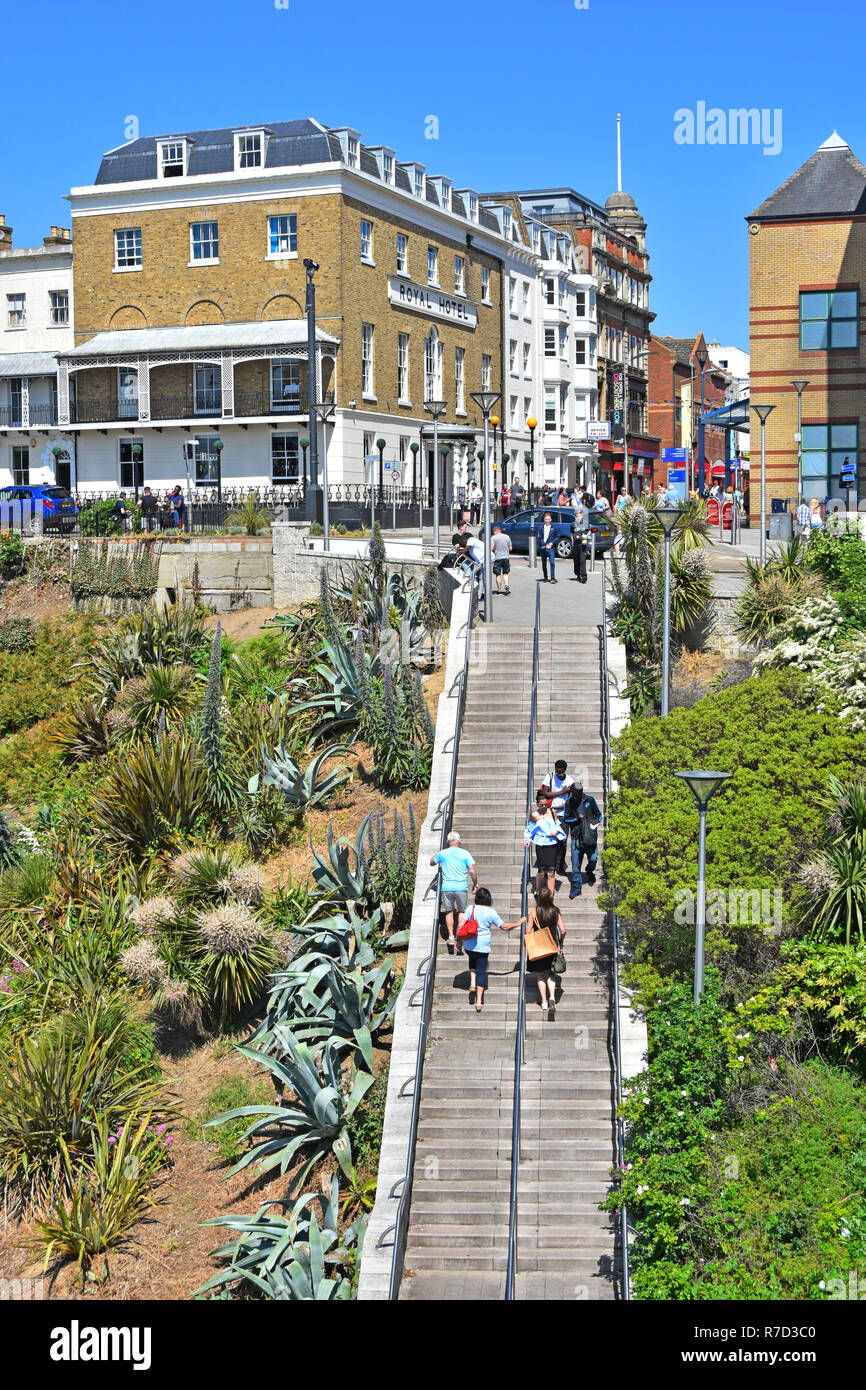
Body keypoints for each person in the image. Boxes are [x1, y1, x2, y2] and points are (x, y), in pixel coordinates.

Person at [456, 887, 525, 1013]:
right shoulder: (491, 912)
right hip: (483, 946)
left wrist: (458, 940)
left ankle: (472, 983)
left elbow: (461, 924)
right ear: (488, 899)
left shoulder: (470, 908)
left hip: (469, 945)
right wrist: (518, 923)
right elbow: (504, 927)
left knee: (472, 959)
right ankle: (478, 1001)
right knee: (482, 972)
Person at [431, 830, 477, 952]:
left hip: (447, 887)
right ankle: (459, 937)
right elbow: (472, 870)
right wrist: (475, 884)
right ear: (459, 841)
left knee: (449, 911)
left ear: (447, 841)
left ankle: (451, 936)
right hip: (461, 887)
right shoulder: (465, 853)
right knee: (462, 911)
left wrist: (438, 855)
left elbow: (431, 862)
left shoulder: (443, 853)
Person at [525, 885, 565, 1017]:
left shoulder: (534, 912)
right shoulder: (556, 911)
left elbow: (528, 931)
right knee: (551, 974)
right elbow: (563, 930)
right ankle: (552, 996)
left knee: (541, 975)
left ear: (539, 898)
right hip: (552, 947)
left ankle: (543, 1002)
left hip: (539, 947)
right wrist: (561, 944)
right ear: (550, 897)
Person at [560, 781, 603, 899]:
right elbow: (566, 819)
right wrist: (576, 819)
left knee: (593, 859)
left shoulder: (589, 799)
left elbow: (599, 815)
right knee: (575, 864)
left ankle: (589, 870)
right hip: (576, 837)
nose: (576, 796)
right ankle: (576, 886)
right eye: (574, 794)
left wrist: (592, 823)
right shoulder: (569, 802)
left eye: (578, 794)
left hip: (589, 836)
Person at [524, 793, 566, 896]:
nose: (544, 807)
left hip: (552, 843)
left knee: (551, 872)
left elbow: (557, 824)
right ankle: (538, 889)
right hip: (541, 843)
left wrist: (556, 831)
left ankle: (550, 893)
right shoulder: (535, 815)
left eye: (545, 804)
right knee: (542, 871)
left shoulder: (552, 812)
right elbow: (530, 829)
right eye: (541, 805)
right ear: (537, 804)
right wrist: (528, 839)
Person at [543, 760, 576, 874]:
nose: (559, 773)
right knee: (550, 839)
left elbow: (571, 799)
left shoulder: (570, 781)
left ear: (565, 770)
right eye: (557, 771)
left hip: (563, 814)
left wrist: (562, 805)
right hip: (550, 813)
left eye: (561, 771)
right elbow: (545, 793)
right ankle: (549, 865)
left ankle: (559, 865)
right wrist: (561, 792)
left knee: (562, 840)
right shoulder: (550, 776)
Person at [536, 510, 568, 584]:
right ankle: (545, 577)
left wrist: (551, 543)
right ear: (544, 520)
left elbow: (557, 536)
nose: (547, 521)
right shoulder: (541, 528)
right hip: (543, 548)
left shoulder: (553, 527)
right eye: (546, 519)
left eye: (548, 519)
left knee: (552, 563)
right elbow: (540, 537)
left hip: (551, 548)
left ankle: (552, 577)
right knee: (544, 563)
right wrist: (544, 544)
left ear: (551, 519)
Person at [571, 499, 589, 582]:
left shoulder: (585, 523)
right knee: (576, 561)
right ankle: (578, 574)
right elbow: (571, 534)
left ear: (582, 515)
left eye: (580, 515)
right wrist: (572, 544)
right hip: (576, 544)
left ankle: (584, 576)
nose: (578, 516)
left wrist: (586, 536)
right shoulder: (573, 524)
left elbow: (589, 531)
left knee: (582, 560)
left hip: (583, 544)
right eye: (577, 515)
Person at [491, 523, 512, 595]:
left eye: (493, 532)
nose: (493, 533)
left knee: (498, 574)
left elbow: (492, 548)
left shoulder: (493, 538)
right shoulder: (507, 537)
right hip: (506, 557)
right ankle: (506, 584)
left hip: (497, 558)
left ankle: (499, 590)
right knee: (505, 573)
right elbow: (510, 548)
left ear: (496, 531)